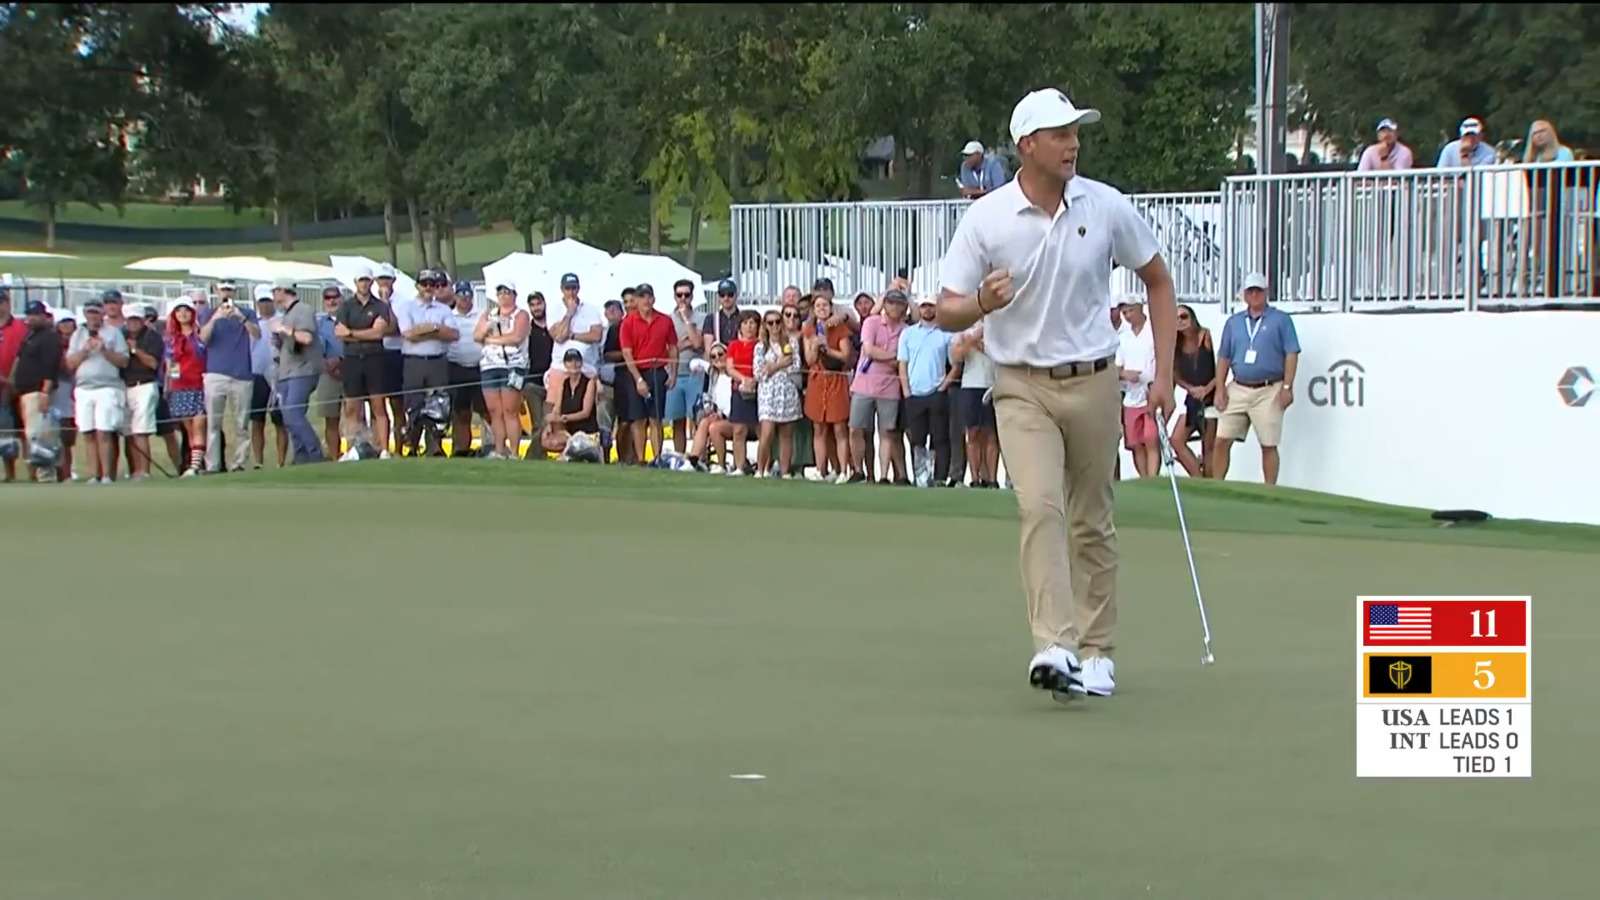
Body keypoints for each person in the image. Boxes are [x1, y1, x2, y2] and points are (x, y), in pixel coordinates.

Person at [936, 87, 1177, 702]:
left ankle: (1098, 652)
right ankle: (1055, 644)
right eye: (1059, 133)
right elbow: (943, 311)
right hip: (1020, 386)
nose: (1072, 143)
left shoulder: (1105, 205)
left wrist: (1165, 376)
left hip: (1094, 379)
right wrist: (981, 304)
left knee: (1093, 520)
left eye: (1075, 132)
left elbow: (1157, 279)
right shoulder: (986, 217)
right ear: (1026, 146)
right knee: (1039, 507)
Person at [1213, 272, 1299, 485]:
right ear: (1244, 294)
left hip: (1269, 388)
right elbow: (1224, 356)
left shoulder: (1281, 320)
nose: (1254, 295)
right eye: (1250, 291)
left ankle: (1269, 489)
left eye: (1258, 290)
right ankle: (1216, 486)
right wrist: (1220, 388)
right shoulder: (1234, 322)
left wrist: (1287, 386)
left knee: (1268, 443)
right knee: (1222, 439)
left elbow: (1292, 353)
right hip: (1239, 386)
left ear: (1266, 292)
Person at [62, 299, 131, 483]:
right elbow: (70, 363)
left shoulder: (113, 333)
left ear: (102, 314)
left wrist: (104, 350)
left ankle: (107, 475)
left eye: (96, 312)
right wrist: (84, 350)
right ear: (85, 314)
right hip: (84, 388)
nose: (93, 316)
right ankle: (94, 474)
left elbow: (123, 361)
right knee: (88, 432)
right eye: (89, 312)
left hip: (107, 387)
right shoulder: (78, 334)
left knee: (104, 431)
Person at [394, 269, 458, 456]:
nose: (429, 288)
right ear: (417, 286)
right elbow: (408, 334)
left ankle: (434, 447)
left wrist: (428, 328)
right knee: (413, 404)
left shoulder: (443, 309)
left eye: (432, 284)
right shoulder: (407, 307)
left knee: (438, 405)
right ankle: (412, 446)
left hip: (437, 362)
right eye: (425, 284)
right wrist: (436, 330)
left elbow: (453, 334)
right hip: (414, 362)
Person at [198, 282, 260, 473]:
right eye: (222, 289)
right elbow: (203, 339)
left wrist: (240, 318)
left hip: (242, 374)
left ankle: (239, 462)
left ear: (234, 292)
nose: (226, 293)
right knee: (213, 423)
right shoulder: (208, 313)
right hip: (215, 373)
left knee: (241, 423)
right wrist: (216, 318)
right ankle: (213, 464)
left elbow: (257, 335)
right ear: (217, 291)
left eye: (229, 289)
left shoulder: (247, 312)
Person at [334, 270, 396, 458]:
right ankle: (354, 448)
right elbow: (339, 332)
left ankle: (384, 449)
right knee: (352, 407)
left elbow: (378, 333)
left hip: (374, 359)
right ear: (355, 282)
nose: (364, 284)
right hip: (352, 360)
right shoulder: (346, 306)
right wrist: (366, 333)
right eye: (361, 280)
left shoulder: (379, 306)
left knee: (379, 405)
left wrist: (352, 333)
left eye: (367, 280)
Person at [897, 295, 958, 487]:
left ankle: (938, 477)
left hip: (936, 392)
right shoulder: (908, 333)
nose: (927, 310)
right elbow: (902, 364)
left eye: (930, 306)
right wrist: (906, 390)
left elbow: (956, 365)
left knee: (940, 437)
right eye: (923, 306)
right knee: (917, 438)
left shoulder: (945, 334)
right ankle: (921, 477)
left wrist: (943, 386)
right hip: (914, 393)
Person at [850, 289, 909, 485]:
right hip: (864, 384)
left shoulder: (906, 329)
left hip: (889, 387)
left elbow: (900, 360)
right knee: (856, 429)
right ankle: (858, 471)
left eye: (898, 303)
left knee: (887, 432)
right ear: (884, 304)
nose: (894, 307)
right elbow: (869, 350)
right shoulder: (872, 322)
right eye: (890, 302)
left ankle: (883, 475)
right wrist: (893, 357)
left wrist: (888, 357)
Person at [619, 283, 678, 464]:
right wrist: (638, 379)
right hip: (636, 371)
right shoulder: (628, 322)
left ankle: (657, 458)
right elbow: (627, 353)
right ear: (636, 300)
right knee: (638, 419)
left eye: (648, 296)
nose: (646, 300)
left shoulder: (665, 320)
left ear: (653, 298)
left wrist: (673, 373)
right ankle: (641, 458)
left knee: (656, 418)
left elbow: (673, 347)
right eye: (642, 297)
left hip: (657, 371)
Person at [474, 283, 532, 460]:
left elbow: (516, 337)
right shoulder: (489, 314)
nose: (503, 296)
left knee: (510, 410)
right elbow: (477, 336)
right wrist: (488, 328)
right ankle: (499, 450)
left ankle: (514, 451)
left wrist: (491, 339)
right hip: (490, 365)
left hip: (512, 365)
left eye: (507, 292)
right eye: (500, 292)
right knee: (494, 411)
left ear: (514, 295)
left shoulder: (521, 315)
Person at [269, 285, 326, 464]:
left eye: (274, 291)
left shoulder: (303, 310)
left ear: (282, 291)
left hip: (302, 369)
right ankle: (301, 456)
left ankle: (315, 453)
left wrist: (284, 329)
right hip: (286, 371)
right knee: (288, 416)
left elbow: (307, 338)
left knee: (293, 412)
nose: (273, 296)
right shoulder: (286, 314)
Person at [9, 301, 62, 482]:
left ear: (43, 316)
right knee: (32, 434)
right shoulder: (30, 335)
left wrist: (45, 392)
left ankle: (46, 475)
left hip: (38, 391)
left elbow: (50, 366)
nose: (31, 318)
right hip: (25, 393)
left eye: (35, 315)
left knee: (40, 435)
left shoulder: (49, 337)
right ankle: (38, 474)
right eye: (29, 315)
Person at [803, 292, 852, 483]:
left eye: (825, 305)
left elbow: (845, 356)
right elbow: (809, 360)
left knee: (839, 427)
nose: (821, 309)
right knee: (819, 427)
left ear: (831, 307)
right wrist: (814, 346)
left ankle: (843, 470)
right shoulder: (809, 329)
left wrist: (828, 348)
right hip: (818, 379)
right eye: (818, 306)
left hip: (835, 379)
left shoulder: (839, 327)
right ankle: (820, 469)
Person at [1171, 304, 1218, 478]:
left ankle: (1210, 484)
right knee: (1176, 440)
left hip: (1210, 397)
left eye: (1184, 317)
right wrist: (1190, 388)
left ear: (1192, 318)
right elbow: (1175, 374)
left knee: (1209, 447)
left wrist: (1207, 389)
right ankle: (1197, 478)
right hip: (1192, 398)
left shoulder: (1204, 335)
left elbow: (1218, 368)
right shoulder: (1175, 343)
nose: (1180, 321)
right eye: (1176, 318)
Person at [950, 323, 1000, 488]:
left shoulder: (998, 326)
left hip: (993, 384)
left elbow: (1002, 354)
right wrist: (971, 340)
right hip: (971, 385)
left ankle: (992, 479)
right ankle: (975, 478)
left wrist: (982, 344)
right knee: (972, 433)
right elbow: (956, 357)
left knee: (991, 433)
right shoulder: (965, 331)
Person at [753, 308, 801, 478]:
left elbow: (795, 366)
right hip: (768, 392)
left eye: (777, 322)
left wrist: (772, 367)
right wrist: (779, 365)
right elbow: (759, 373)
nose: (774, 326)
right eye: (770, 323)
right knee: (766, 433)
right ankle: (760, 470)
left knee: (786, 434)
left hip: (787, 390)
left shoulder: (791, 342)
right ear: (765, 325)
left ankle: (785, 471)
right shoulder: (760, 347)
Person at [162, 298, 207, 477]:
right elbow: (171, 364)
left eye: (186, 310)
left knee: (199, 424)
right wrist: (171, 384)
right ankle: (196, 464)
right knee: (189, 428)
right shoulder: (172, 339)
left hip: (200, 384)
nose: (183, 314)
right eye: (178, 311)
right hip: (181, 386)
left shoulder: (199, 335)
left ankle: (196, 465)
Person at [1115, 296, 1158, 478]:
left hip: (1151, 393)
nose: (1127, 316)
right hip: (1131, 396)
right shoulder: (1123, 337)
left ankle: (1153, 478)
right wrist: (1125, 374)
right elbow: (1117, 367)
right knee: (1135, 443)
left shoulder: (1154, 331)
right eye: (1124, 312)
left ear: (1140, 308)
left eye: (1131, 310)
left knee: (1151, 438)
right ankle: (1144, 479)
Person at [120, 304, 164, 480]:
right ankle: (134, 471)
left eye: (136, 320)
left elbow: (153, 363)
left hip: (145, 385)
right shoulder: (120, 335)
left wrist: (134, 350)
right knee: (129, 432)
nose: (133, 323)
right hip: (125, 386)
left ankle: (144, 471)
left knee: (141, 431)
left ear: (142, 320)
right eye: (130, 320)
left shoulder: (152, 337)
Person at [444, 281, 485, 458]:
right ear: (455, 297)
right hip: (457, 368)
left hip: (479, 367)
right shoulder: (449, 316)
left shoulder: (481, 315)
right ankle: (462, 448)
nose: (465, 299)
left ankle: (490, 445)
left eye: (467, 296)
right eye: (461, 296)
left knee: (485, 410)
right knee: (461, 413)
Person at [248, 287, 288, 468]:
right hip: (257, 375)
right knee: (257, 421)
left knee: (280, 421)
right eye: (261, 302)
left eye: (267, 301)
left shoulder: (281, 321)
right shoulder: (252, 323)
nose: (265, 305)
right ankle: (258, 461)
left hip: (278, 375)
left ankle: (280, 461)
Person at [664, 279, 703, 455]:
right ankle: (680, 456)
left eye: (686, 295)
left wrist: (687, 320)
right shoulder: (667, 320)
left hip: (695, 375)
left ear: (692, 296)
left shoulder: (700, 317)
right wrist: (684, 343)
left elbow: (697, 342)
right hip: (675, 374)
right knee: (677, 420)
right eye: (679, 295)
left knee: (697, 418)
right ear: (674, 296)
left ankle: (697, 456)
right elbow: (667, 349)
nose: (683, 298)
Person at [724, 311, 762, 476]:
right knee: (739, 430)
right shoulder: (733, 345)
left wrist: (754, 380)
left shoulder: (760, 345)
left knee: (761, 429)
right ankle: (739, 466)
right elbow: (730, 367)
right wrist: (743, 379)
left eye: (753, 323)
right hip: (739, 390)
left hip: (759, 390)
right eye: (746, 323)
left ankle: (763, 466)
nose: (749, 327)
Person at [687, 345, 735, 472]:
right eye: (713, 357)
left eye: (720, 354)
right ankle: (694, 459)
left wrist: (720, 414)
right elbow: (695, 363)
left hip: (735, 417)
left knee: (713, 426)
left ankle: (721, 465)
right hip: (720, 415)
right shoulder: (715, 375)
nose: (717, 358)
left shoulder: (734, 374)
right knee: (704, 422)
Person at [312, 286, 346, 458]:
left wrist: (341, 361)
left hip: (351, 370)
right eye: (327, 298)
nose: (331, 301)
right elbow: (315, 348)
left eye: (335, 297)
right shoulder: (318, 322)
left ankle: (357, 455)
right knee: (331, 419)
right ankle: (335, 457)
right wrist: (326, 364)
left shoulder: (350, 317)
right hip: (327, 373)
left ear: (341, 298)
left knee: (356, 415)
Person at [0, 287, 28, 482]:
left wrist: (12, 380)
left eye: (2, 301)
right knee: (4, 431)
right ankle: (8, 472)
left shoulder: (21, 327)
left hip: (18, 385)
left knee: (23, 430)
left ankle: (30, 472)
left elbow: (25, 354)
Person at [545, 348, 599, 451]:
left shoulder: (589, 382)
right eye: (570, 361)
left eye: (577, 361)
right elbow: (557, 408)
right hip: (569, 430)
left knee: (557, 442)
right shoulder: (564, 383)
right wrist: (550, 422)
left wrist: (566, 418)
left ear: (581, 363)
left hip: (586, 431)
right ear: (565, 364)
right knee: (547, 439)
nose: (574, 364)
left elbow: (585, 412)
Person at [522, 291, 554, 456]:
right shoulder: (527, 330)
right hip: (533, 382)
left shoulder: (554, 328)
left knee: (550, 421)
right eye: (532, 305)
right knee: (538, 423)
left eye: (538, 304)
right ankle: (535, 456)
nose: (536, 308)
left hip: (553, 382)